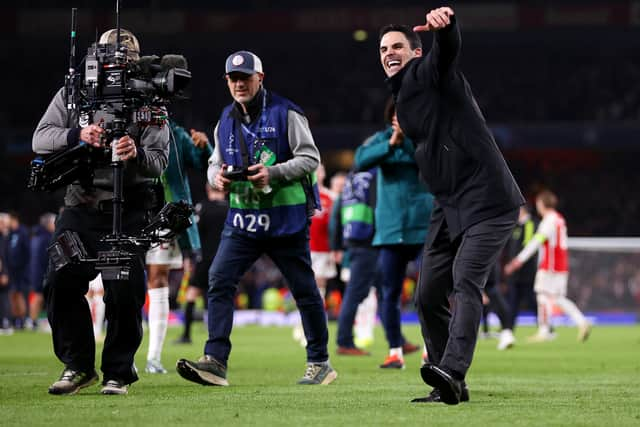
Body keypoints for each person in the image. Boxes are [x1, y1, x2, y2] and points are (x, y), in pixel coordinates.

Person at [378, 7, 524, 404]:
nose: (389, 53)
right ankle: (448, 383)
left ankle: (453, 370)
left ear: (416, 52)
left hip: (488, 199)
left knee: (466, 280)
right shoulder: (402, 93)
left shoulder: (428, 74)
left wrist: (447, 28)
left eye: (397, 47)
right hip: (449, 203)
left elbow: (446, 53)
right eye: (383, 48)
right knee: (426, 294)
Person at [176, 50, 336, 386]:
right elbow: (214, 164)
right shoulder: (225, 120)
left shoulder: (287, 113)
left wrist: (273, 173)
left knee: (305, 290)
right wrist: (214, 177)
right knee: (218, 280)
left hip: (285, 221)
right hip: (244, 220)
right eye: (233, 79)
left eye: (245, 78)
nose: (239, 84)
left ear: (260, 78)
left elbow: (310, 158)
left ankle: (320, 362)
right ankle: (215, 361)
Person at [32, 28, 170, 396]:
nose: (117, 65)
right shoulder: (74, 94)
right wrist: (77, 136)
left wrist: (135, 154)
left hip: (129, 205)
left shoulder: (152, 100)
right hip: (81, 202)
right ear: (97, 57)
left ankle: (118, 372)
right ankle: (77, 366)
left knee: (123, 288)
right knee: (60, 281)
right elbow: (40, 137)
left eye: (124, 58)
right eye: (111, 56)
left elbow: (159, 163)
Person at [144, 56, 214, 374]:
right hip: (130, 211)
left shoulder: (175, 133)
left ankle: (153, 357)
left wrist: (204, 148)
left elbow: (204, 167)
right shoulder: (130, 125)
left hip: (164, 217)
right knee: (116, 283)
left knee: (158, 278)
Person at [354, 101, 433, 369]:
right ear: (390, 118)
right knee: (389, 292)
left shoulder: (425, 139)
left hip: (423, 226)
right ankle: (395, 351)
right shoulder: (381, 139)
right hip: (390, 229)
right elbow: (360, 161)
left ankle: (429, 349)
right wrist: (391, 142)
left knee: (431, 291)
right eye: (397, 116)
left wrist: (406, 141)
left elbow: (430, 164)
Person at [504, 190, 591, 343]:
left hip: (550, 266)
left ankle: (544, 331)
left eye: (538, 203)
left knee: (541, 294)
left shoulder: (548, 221)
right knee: (557, 298)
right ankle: (581, 321)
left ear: (542, 204)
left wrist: (518, 261)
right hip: (561, 265)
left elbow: (536, 242)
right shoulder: (559, 219)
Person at [330, 168, 379, 356]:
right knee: (357, 293)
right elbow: (378, 207)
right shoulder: (373, 177)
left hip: (353, 240)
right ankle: (344, 341)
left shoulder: (351, 180)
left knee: (379, 291)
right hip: (369, 241)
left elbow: (336, 214)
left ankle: (397, 341)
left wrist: (337, 246)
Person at [174, 183, 229, 344]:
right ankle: (219, 335)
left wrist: (189, 257)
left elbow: (193, 234)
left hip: (204, 259)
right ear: (224, 189)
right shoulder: (230, 209)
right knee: (219, 295)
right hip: (224, 259)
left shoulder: (202, 208)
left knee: (192, 294)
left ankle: (186, 335)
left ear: (207, 189)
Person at [506, 206, 539, 329]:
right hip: (516, 274)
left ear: (523, 211)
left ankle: (546, 327)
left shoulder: (530, 224)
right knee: (513, 301)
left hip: (526, 272)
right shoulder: (517, 226)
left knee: (531, 301)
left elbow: (528, 248)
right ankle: (508, 329)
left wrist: (513, 264)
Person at [27, 213, 57, 331]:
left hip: (35, 271)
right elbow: (47, 258)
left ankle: (32, 321)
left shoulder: (36, 236)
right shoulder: (46, 238)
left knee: (38, 296)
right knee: (40, 297)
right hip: (41, 272)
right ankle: (33, 321)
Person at [7, 211, 30, 330]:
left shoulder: (22, 232)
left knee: (20, 294)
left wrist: (25, 268)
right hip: (12, 271)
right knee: (13, 295)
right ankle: (15, 319)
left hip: (21, 271)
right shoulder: (10, 233)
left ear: (13, 219)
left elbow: (27, 252)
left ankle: (23, 319)